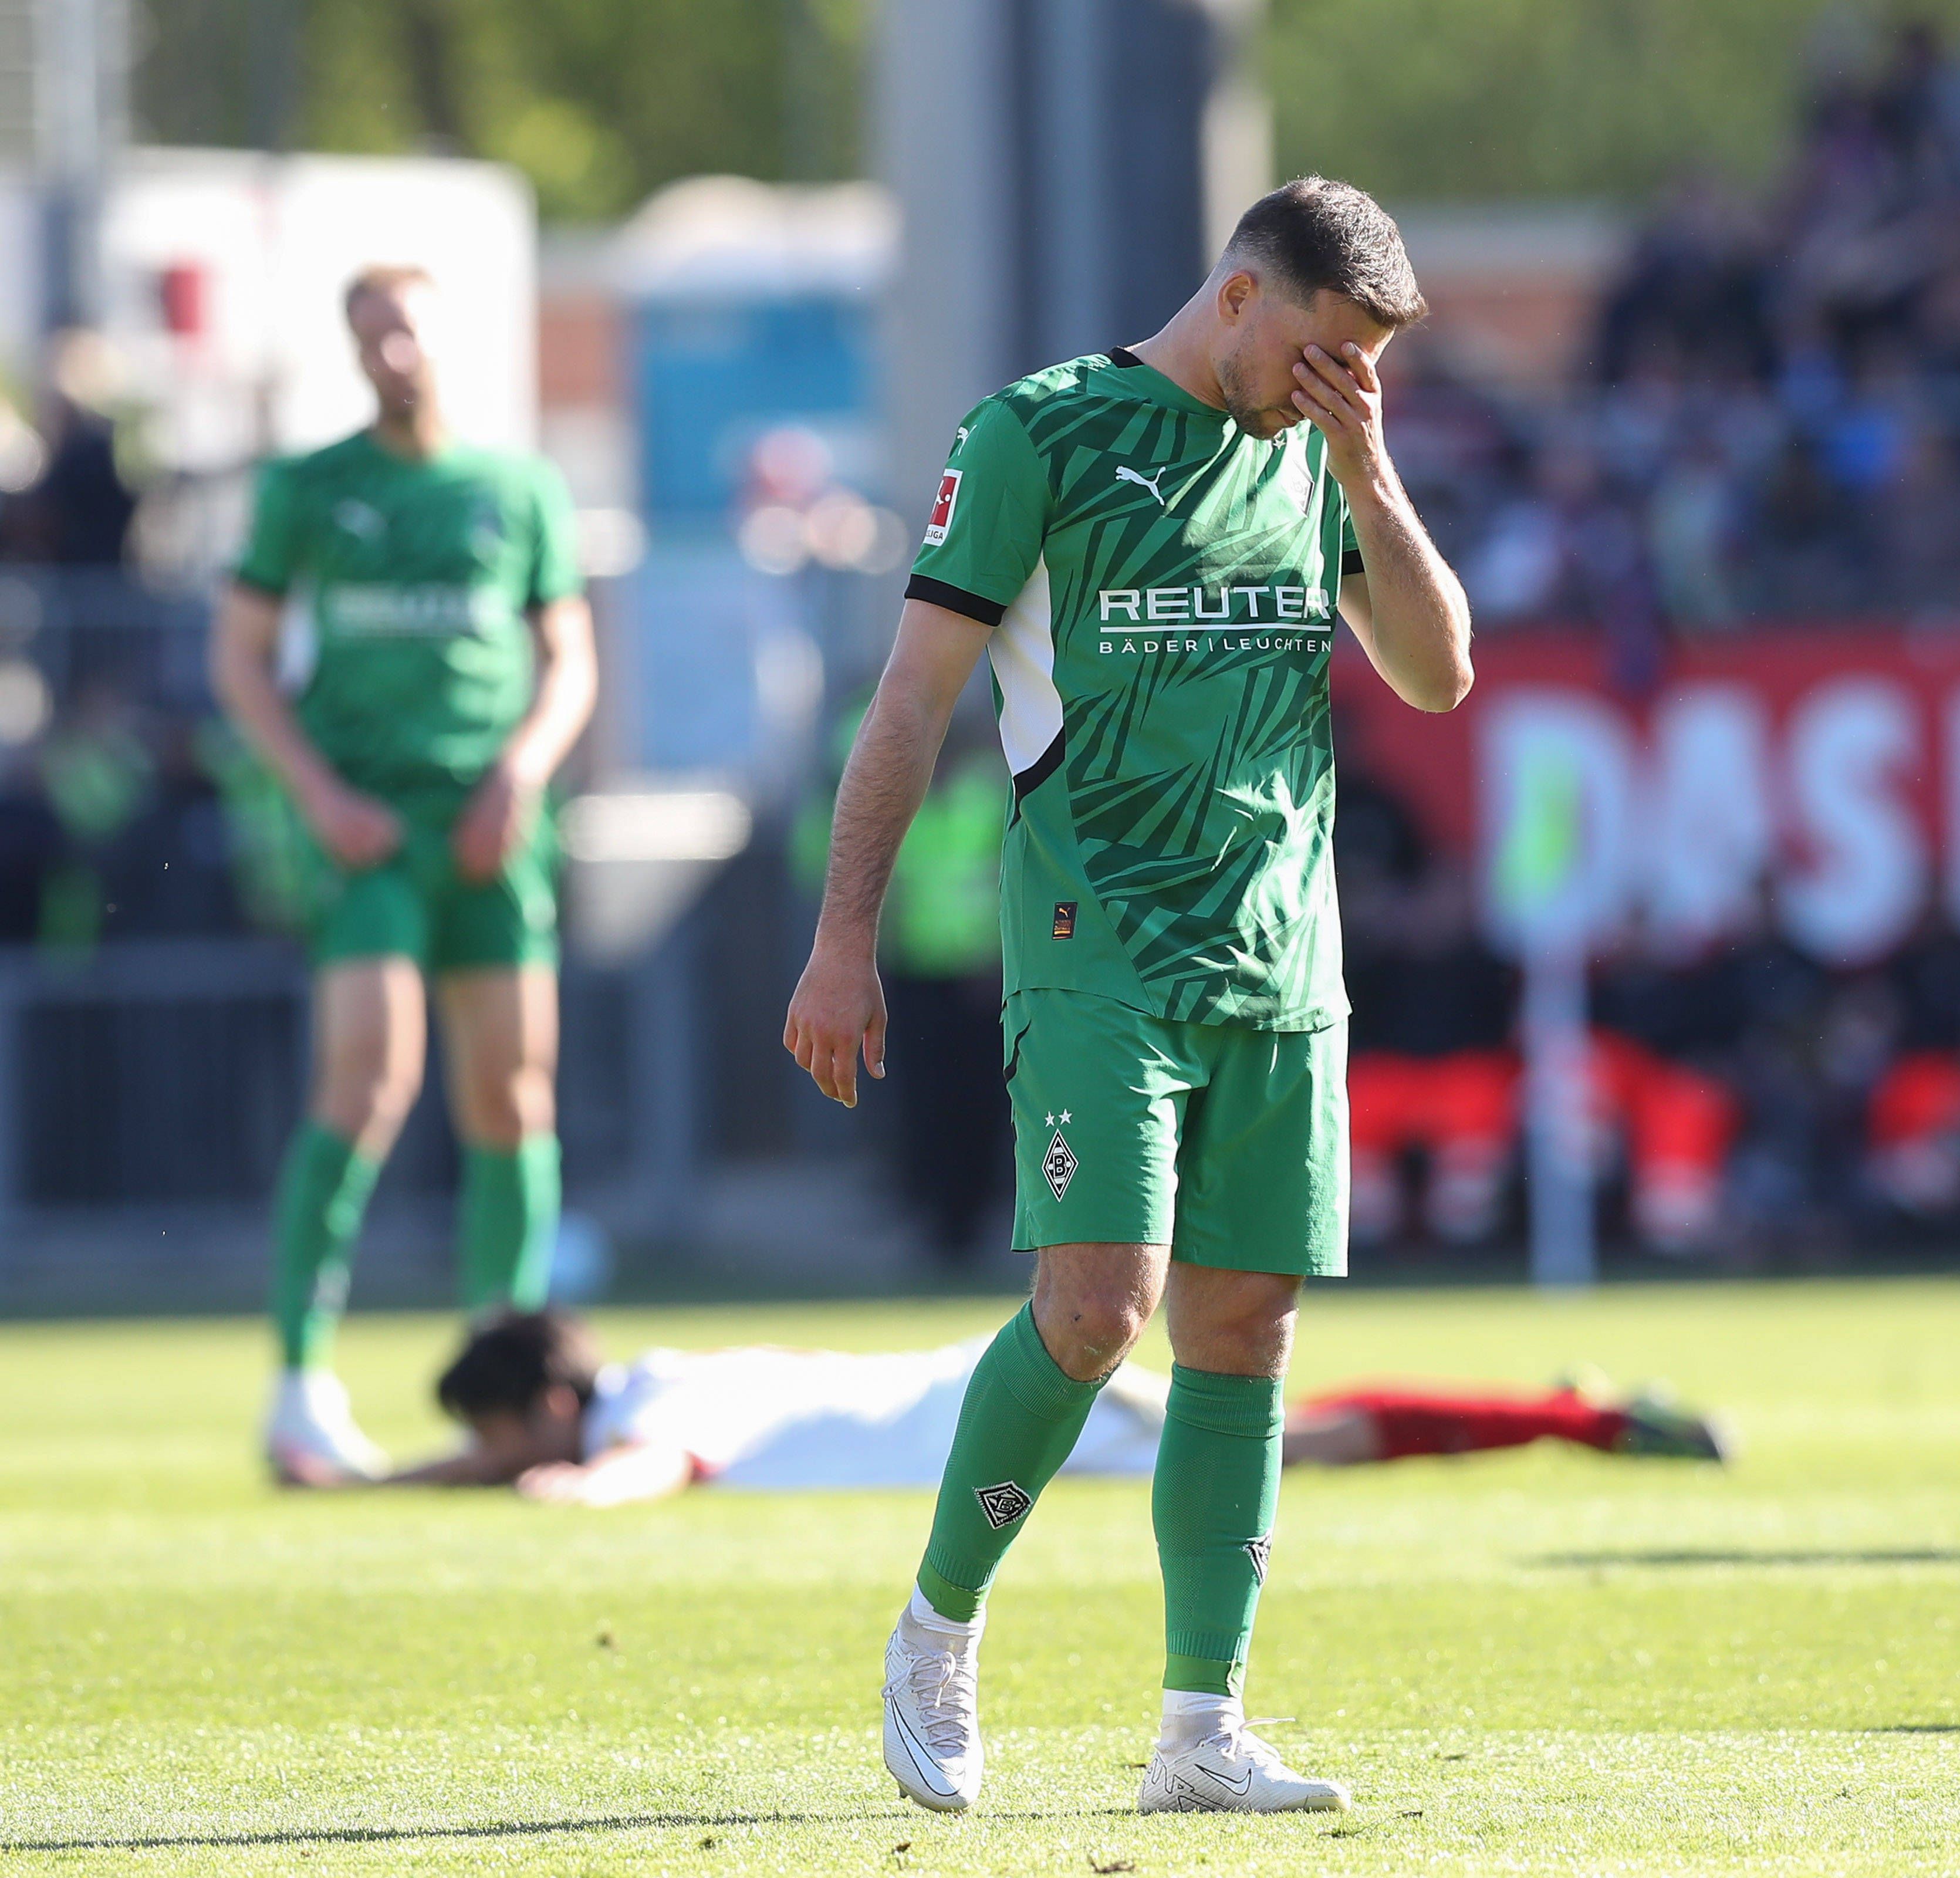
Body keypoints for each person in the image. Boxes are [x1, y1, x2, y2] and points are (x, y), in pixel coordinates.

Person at [783, 176, 1474, 1816]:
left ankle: (1200, 1731)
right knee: (1099, 1308)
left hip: (1282, 959)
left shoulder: (1322, 457)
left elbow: (1439, 673)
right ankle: (937, 1629)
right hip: (1096, 948)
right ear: (1240, 297)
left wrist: (1369, 465)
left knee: (1242, 1329)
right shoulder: (1038, 433)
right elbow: (910, 703)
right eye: (1324, 350)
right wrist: (841, 936)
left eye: (1368, 365)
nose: (1339, 384)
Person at [209, 265, 598, 1484]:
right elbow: (241, 658)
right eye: (369, 336)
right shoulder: (309, 489)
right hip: (370, 833)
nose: (391, 356)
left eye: (406, 333)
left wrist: (521, 773)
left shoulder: (517, 488)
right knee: (368, 1078)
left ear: (444, 338)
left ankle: (508, 1376)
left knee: (514, 1100)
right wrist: (318, 793)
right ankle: (299, 1384)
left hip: (490, 828)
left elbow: (569, 658)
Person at [284, 1309, 1729, 1501]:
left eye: (502, 1438)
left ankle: (1581, 1419)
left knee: (1303, 1442)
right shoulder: (640, 1380)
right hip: (1003, 1400)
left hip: (1022, 1411)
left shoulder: (654, 1406)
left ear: (551, 1403)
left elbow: (661, 1462)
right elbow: (505, 1458)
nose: (497, 1461)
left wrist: (581, 1493)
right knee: (1286, 1429)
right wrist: (367, 1486)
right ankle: (1554, 1408)